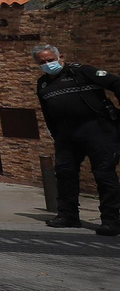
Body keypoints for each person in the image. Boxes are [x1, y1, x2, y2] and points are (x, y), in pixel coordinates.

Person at [32, 45, 119, 237]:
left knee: (104, 174)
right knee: (64, 173)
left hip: (97, 129)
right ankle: (68, 215)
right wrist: (56, 134)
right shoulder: (43, 84)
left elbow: (115, 83)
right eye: (42, 62)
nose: (47, 64)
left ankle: (111, 221)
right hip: (66, 133)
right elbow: (47, 112)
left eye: (50, 59)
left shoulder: (83, 71)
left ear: (60, 57)